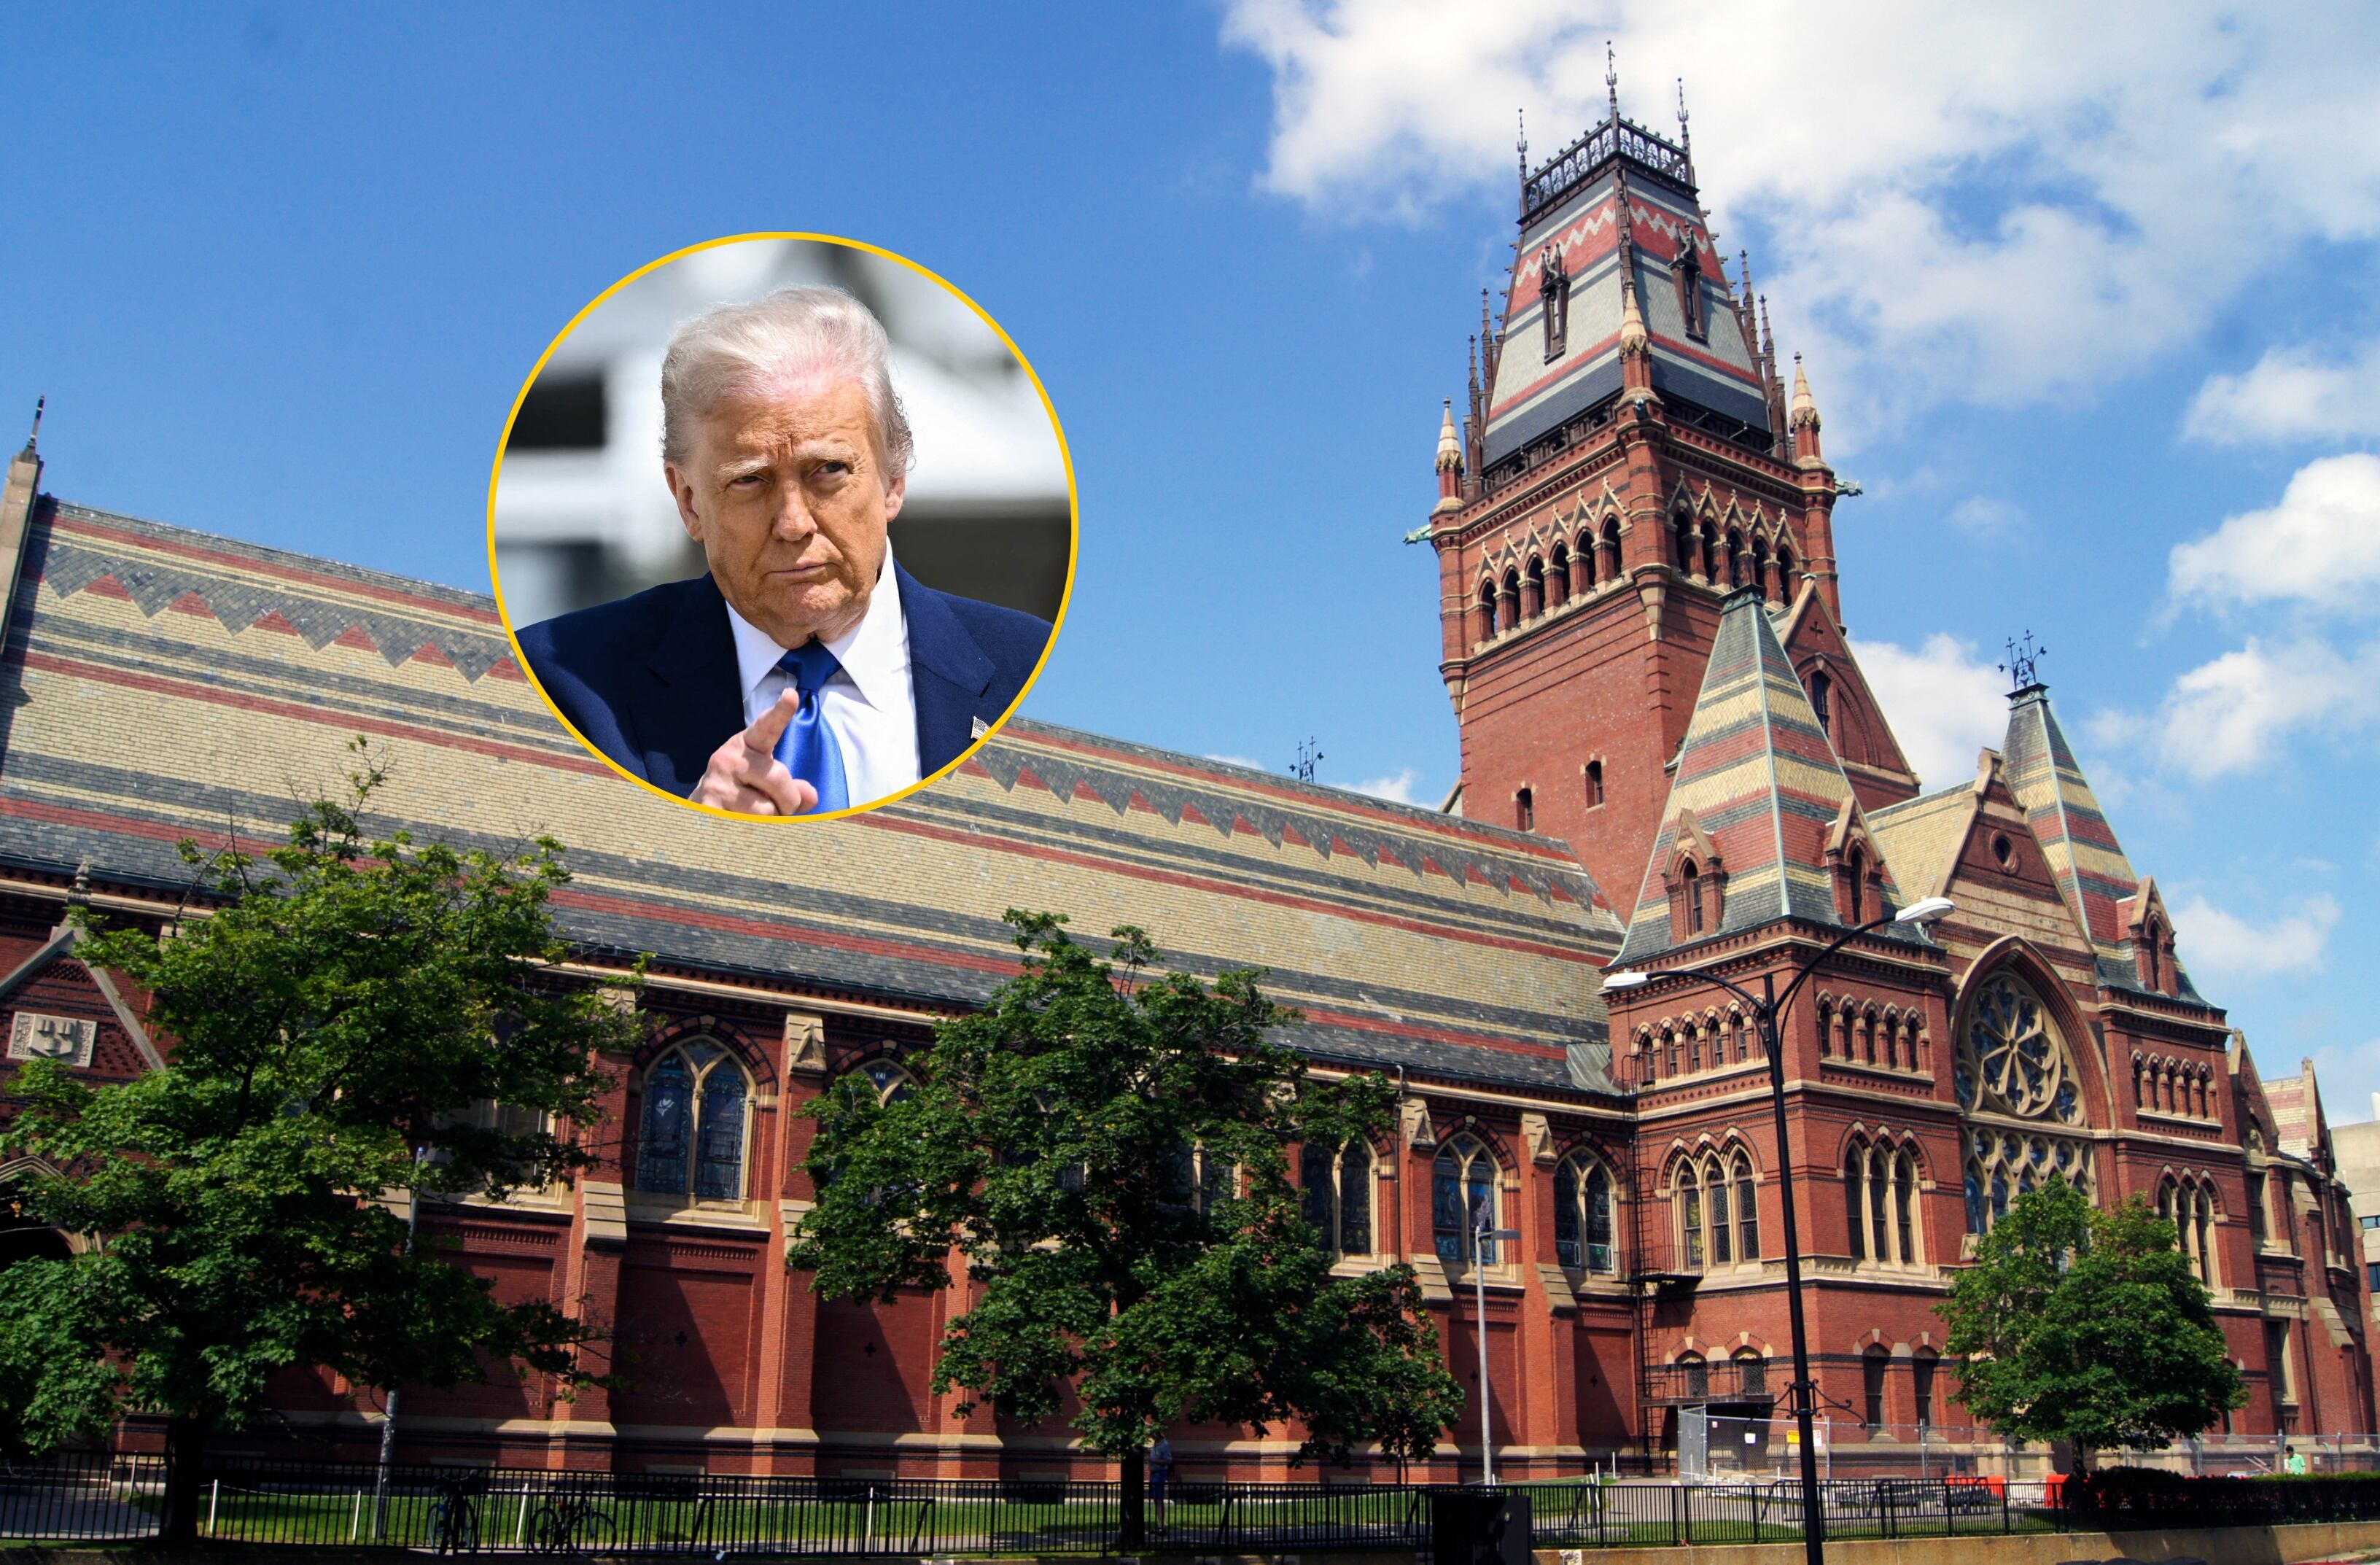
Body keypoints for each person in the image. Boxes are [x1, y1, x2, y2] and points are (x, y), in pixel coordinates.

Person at [516, 286, 1054, 815]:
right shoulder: (557, 684)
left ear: (893, 479)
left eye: (829, 470)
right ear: (689, 502)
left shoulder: (1028, 668)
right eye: (750, 480)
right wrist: (690, 830)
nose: (794, 524)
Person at [1147, 1433, 1174, 1532]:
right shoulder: (1155, 1444)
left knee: (1159, 1499)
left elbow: (1168, 1460)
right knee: (1155, 1499)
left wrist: (1153, 1460)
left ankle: (1161, 1526)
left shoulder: (1164, 1445)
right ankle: (1159, 1524)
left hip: (1160, 1473)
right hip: (1154, 1473)